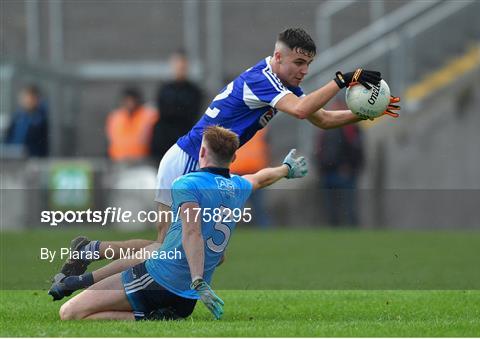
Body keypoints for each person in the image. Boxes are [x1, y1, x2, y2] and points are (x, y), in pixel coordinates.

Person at [51, 27, 399, 286]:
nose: (303, 71)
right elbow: (305, 109)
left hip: (191, 159)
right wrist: (342, 81)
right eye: (298, 62)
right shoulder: (263, 80)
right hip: (191, 160)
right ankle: (90, 280)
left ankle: (91, 250)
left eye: (307, 64)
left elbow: (320, 119)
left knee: (171, 247)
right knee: (173, 250)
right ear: (278, 57)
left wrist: (367, 113)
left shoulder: (282, 85)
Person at [54, 125, 308, 321]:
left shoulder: (186, 184)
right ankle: (83, 276)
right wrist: (286, 169)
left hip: (159, 280)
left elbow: (192, 233)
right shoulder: (237, 186)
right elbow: (260, 178)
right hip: (185, 301)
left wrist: (199, 279)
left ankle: (146, 318)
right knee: (155, 248)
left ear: (202, 152)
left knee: (69, 313)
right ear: (233, 158)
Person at [150, 49, 203, 164]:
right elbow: (163, 112)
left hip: (184, 138)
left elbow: (191, 114)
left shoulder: (194, 91)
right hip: (165, 141)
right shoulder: (164, 89)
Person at [230, 129, 272, 227]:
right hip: (237, 170)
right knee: (232, 207)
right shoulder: (259, 126)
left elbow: (267, 146)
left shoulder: (261, 128)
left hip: (254, 169)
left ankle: (264, 229)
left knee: (259, 206)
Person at [106, 87, 158, 162]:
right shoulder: (115, 117)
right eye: (126, 100)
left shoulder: (148, 115)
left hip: (143, 160)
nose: (129, 103)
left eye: (131, 100)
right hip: (118, 160)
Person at [4, 85, 49, 157]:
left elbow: (43, 145)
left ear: (36, 99)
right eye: (25, 97)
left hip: (33, 159)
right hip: (13, 157)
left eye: (30, 98)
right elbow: (8, 137)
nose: (27, 100)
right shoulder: (17, 117)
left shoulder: (41, 120)